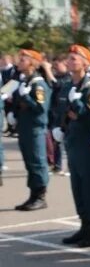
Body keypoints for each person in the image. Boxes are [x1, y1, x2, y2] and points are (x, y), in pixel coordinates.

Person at [54, 45, 90, 247]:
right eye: (70, 57)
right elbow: (61, 112)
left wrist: (79, 106)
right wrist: (59, 128)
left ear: (86, 63)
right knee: (77, 186)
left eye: (75, 58)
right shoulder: (67, 86)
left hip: (85, 142)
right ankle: (84, 225)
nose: (70, 60)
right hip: (72, 141)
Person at [11, 48, 51, 210]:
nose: (19, 62)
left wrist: (26, 97)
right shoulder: (24, 81)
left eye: (23, 59)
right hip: (25, 127)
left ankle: (40, 196)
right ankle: (33, 194)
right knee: (29, 162)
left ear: (32, 63)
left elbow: (41, 109)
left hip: (35, 128)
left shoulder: (38, 84)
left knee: (37, 162)